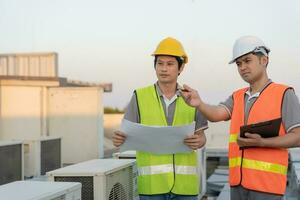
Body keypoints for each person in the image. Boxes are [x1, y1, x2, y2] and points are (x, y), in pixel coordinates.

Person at [181, 35, 300, 200]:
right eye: (239, 63)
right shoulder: (237, 97)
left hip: (268, 188)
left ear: (264, 60)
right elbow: (216, 114)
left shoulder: (284, 94)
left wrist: (262, 143)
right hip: (238, 186)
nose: (242, 67)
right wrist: (199, 103)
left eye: (247, 61)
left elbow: (298, 137)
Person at [112, 37, 208, 200]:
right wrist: (118, 139)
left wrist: (199, 141)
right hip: (151, 188)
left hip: (185, 188)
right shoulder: (139, 96)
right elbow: (125, 135)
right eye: (160, 63)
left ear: (181, 68)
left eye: (170, 64)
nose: (164, 68)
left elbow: (202, 137)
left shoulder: (192, 98)